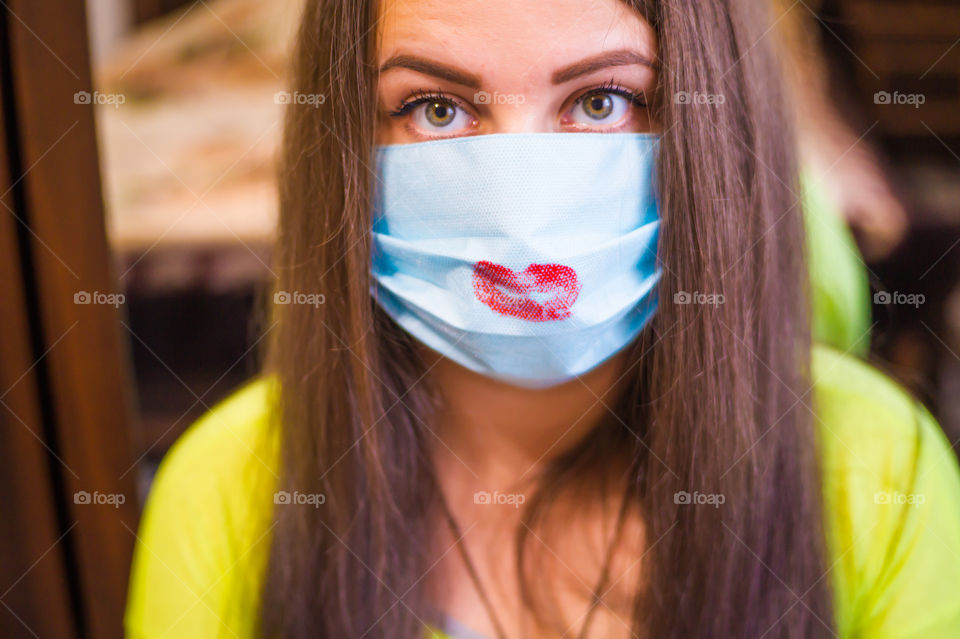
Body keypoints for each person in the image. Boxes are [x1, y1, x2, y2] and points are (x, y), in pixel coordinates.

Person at [124, 1, 960, 638]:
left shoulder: (872, 474)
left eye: (602, 101)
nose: (520, 211)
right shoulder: (232, 493)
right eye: (437, 108)